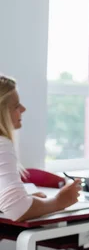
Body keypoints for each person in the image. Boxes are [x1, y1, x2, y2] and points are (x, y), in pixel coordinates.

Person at [0, 75, 81, 222]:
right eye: (16, 106)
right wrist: (59, 202)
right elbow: (17, 209)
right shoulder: (2, 144)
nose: (23, 109)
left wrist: (24, 200)